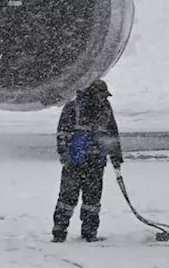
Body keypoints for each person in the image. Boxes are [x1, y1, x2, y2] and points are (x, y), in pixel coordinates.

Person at [52, 79, 123, 243]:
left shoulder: (106, 109)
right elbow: (63, 132)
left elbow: (112, 135)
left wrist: (115, 156)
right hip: (75, 162)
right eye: (101, 95)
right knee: (66, 200)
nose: (104, 98)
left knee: (92, 201)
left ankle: (90, 233)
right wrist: (64, 153)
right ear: (92, 93)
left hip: (96, 162)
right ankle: (59, 232)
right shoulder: (73, 107)